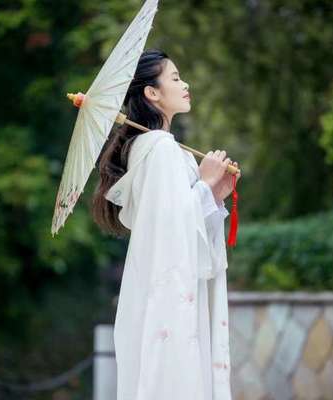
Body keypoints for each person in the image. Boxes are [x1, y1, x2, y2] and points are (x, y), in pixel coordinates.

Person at [92, 48, 239, 400]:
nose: (185, 84)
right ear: (152, 92)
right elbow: (173, 231)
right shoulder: (160, 149)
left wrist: (214, 194)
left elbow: (176, 222)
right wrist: (205, 183)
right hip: (169, 295)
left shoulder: (156, 149)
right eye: (175, 78)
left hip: (162, 288)